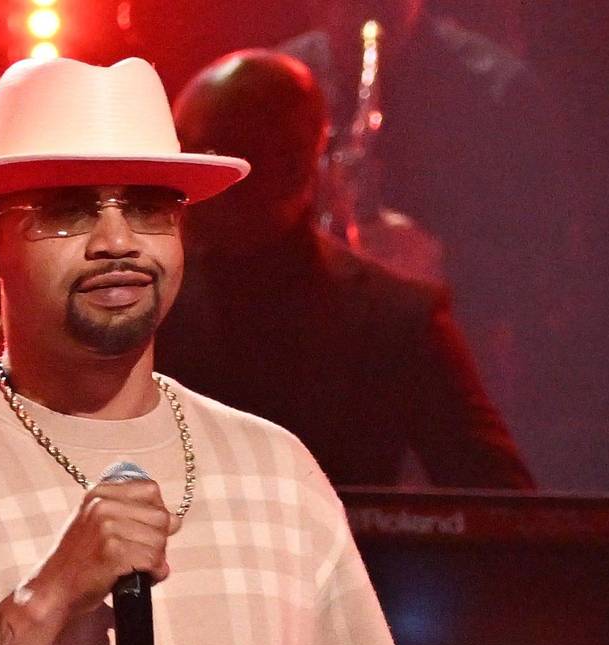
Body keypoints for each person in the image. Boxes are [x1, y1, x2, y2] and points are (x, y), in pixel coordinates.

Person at [0, 57, 411, 645]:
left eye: (149, 206)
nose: (118, 239)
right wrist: (48, 595)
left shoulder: (277, 472)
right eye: (69, 208)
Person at [158, 49, 533, 490]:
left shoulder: (397, 320)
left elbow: (502, 510)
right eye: (176, 151)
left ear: (290, 166)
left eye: (204, 151)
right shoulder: (145, 302)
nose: (180, 176)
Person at [279, 0, 572, 419]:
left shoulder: (501, 89)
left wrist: (440, 260)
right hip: (308, 367)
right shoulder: (277, 80)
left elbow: (550, 266)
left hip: (448, 368)